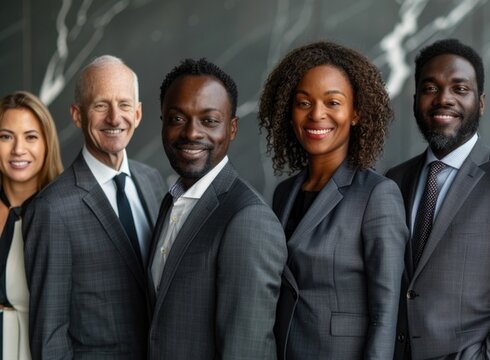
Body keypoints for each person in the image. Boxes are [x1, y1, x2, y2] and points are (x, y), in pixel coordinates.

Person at [385, 38, 490, 359]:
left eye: (460, 89)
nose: (443, 99)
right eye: (430, 88)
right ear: (416, 100)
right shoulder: (394, 181)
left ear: (481, 103)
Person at [258, 41, 407, 359]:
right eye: (303, 103)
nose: (316, 114)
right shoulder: (284, 193)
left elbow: (387, 310)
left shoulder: (377, 195)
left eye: (333, 102)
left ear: (356, 113)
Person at [24, 55, 166, 359]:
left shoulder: (153, 182)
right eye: (101, 105)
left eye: (124, 105)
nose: (115, 118)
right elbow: (49, 338)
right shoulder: (51, 209)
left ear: (138, 114)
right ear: (77, 115)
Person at [148, 58, 285, 359]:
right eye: (177, 118)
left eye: (209, 121)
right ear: (163, 122)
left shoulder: (248, 219)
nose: (191, 133)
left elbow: (246, 351)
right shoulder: (171, 200)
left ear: (232, 128)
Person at [0, 91, 62, 359]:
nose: (18, 149)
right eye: (6, 136)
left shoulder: (65, 211)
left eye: (31, 137)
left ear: (47, 143)